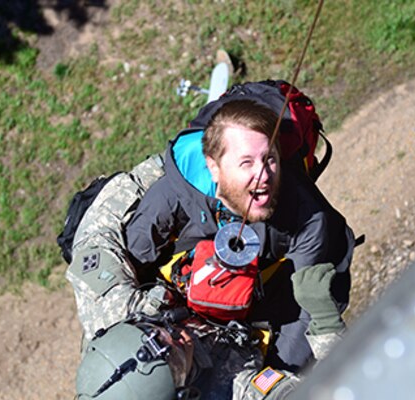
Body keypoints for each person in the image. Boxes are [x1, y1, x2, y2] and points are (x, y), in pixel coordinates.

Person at [66, 99, 354, 399]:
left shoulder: (110, 313)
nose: (176, 336)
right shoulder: (225, 388)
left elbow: (94, 233)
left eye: (154, 333)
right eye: (173, 358)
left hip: (190, 297)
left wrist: (167, 167)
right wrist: (326, 326)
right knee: (313, 302)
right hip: (247, 347)